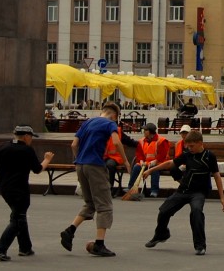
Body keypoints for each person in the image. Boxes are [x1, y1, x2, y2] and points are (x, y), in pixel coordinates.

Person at [60, 102, 131, 257]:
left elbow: (73, 144)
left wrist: (78, 159)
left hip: (80, 165)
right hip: (95, 166)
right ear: (114, 116)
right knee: (105, 205)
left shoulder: (87, 122)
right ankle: (99, 244)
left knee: (90, 203)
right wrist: (125, 161)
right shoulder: (110, 124)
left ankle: (69, 231)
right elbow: (117, 142)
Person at [141, 130, 224, 256]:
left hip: (198, 193)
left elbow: (217, 176)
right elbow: (170, 163)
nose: (189, 148)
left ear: (200, 143)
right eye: (187, 145)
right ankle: (161, 234)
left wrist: (222, 198)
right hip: (183, 190)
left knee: (196, 212)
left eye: (192, 146)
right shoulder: (187, 154)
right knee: (164, 211)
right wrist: (151, 170)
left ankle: (200, 245)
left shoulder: (209, 156)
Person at [0, 125, 54, 261]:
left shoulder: (3, 147)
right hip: (20, 190)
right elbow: (38, 169)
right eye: (31, 137)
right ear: (26, 136)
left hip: (4, 188)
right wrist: (47, 159)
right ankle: (0, 249)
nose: (31, 139)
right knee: (17, 220)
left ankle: (25, 247)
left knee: (19, 216)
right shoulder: (27, 150)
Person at [126, 123, 170, 198]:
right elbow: (139, 153)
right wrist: (141, 161)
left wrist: (155, 161)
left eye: (145, 130)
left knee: (155, 170)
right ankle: (130, 187)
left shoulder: (161, 141)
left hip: (159, 163)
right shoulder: (142, 141)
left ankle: (154, 191)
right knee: (136, 167)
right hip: (146, 163)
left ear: (150, 132)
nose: (143, 131)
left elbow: (163, 154)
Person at [103, 123, 137, 196]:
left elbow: (129, 141)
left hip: (114, 157)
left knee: (110, 165)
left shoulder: (117, 131)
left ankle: (109, 188)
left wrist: (140, 144)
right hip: (100, 156)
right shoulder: (99, 129)